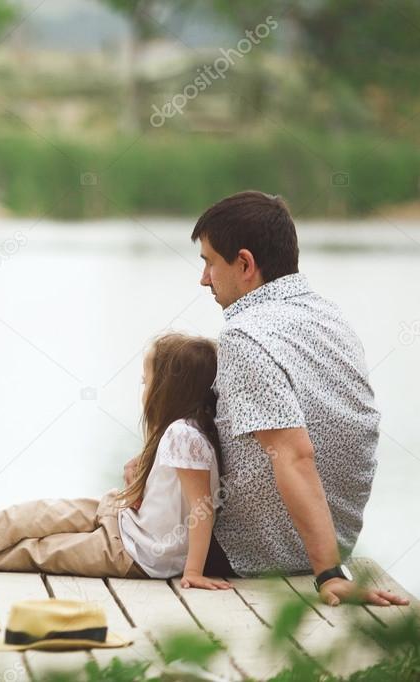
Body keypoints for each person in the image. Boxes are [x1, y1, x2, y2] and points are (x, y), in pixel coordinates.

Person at [132, 189, 407, 607]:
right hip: (320, 541)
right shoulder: (330, 317)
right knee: (77, 513)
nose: (203, 278)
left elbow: (293, 454)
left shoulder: (245, 336)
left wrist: (329, 574)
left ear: (244, 264)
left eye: (208, 262)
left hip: (250, 552)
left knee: (54, 525)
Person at [0, 333, 232, 589]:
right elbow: (179, 498)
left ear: (168, 388)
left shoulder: (184, 436)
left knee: (38, 551)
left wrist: (193, 571)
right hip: (124, 519)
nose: (144, 390)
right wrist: (143, 482)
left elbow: (201, 508)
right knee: (27, 516)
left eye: (146, 382)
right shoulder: (182, 430)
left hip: (135, 553)